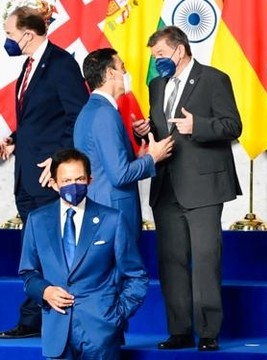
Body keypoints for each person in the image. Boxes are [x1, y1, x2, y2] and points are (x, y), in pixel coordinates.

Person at [133, 25, 242, 351]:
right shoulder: (156, 85)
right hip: (165, 186)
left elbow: (233, 125)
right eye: (155, 57)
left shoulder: (214, 79)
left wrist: (200, 126)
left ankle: (208, 333)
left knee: (206, 260)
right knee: (171, 261)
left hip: (204, 188)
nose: (158, 62)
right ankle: (179, 331)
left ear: (179, 50)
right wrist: (146, 129)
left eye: (161, 55)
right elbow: (163, 127)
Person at [0, 5, 89, 339]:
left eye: (8, 33)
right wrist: (13, 139)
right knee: (32, 247)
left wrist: (57, 160)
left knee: (46, 248)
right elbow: (37, 120)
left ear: (27, 33)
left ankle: (38, 319)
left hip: (46, 177)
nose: (6, 39)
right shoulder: (28, 65)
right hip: (25, 174)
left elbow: (76, 116)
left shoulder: (62, 64)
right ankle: (34, 317)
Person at [18, 148, 148, 359]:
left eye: (79, 178)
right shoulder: (37, 220)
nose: (74, 185)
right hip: (56, 332)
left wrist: (116, 315)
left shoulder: (112, 220)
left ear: (90, 179)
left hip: (101, 333)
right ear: (54, 183)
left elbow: (136, 275)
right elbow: (28, 273)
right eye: (67, 180)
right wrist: (45, 292)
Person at [74, 48, 174, 239]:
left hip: (101, 208)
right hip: (113, 211)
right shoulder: (105, 113)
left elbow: (105, 164)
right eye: (122, 67)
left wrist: (138, 158)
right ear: (110, 73)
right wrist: (154, 157)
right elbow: (120, 175)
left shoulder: (92, 110)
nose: (126, 73)